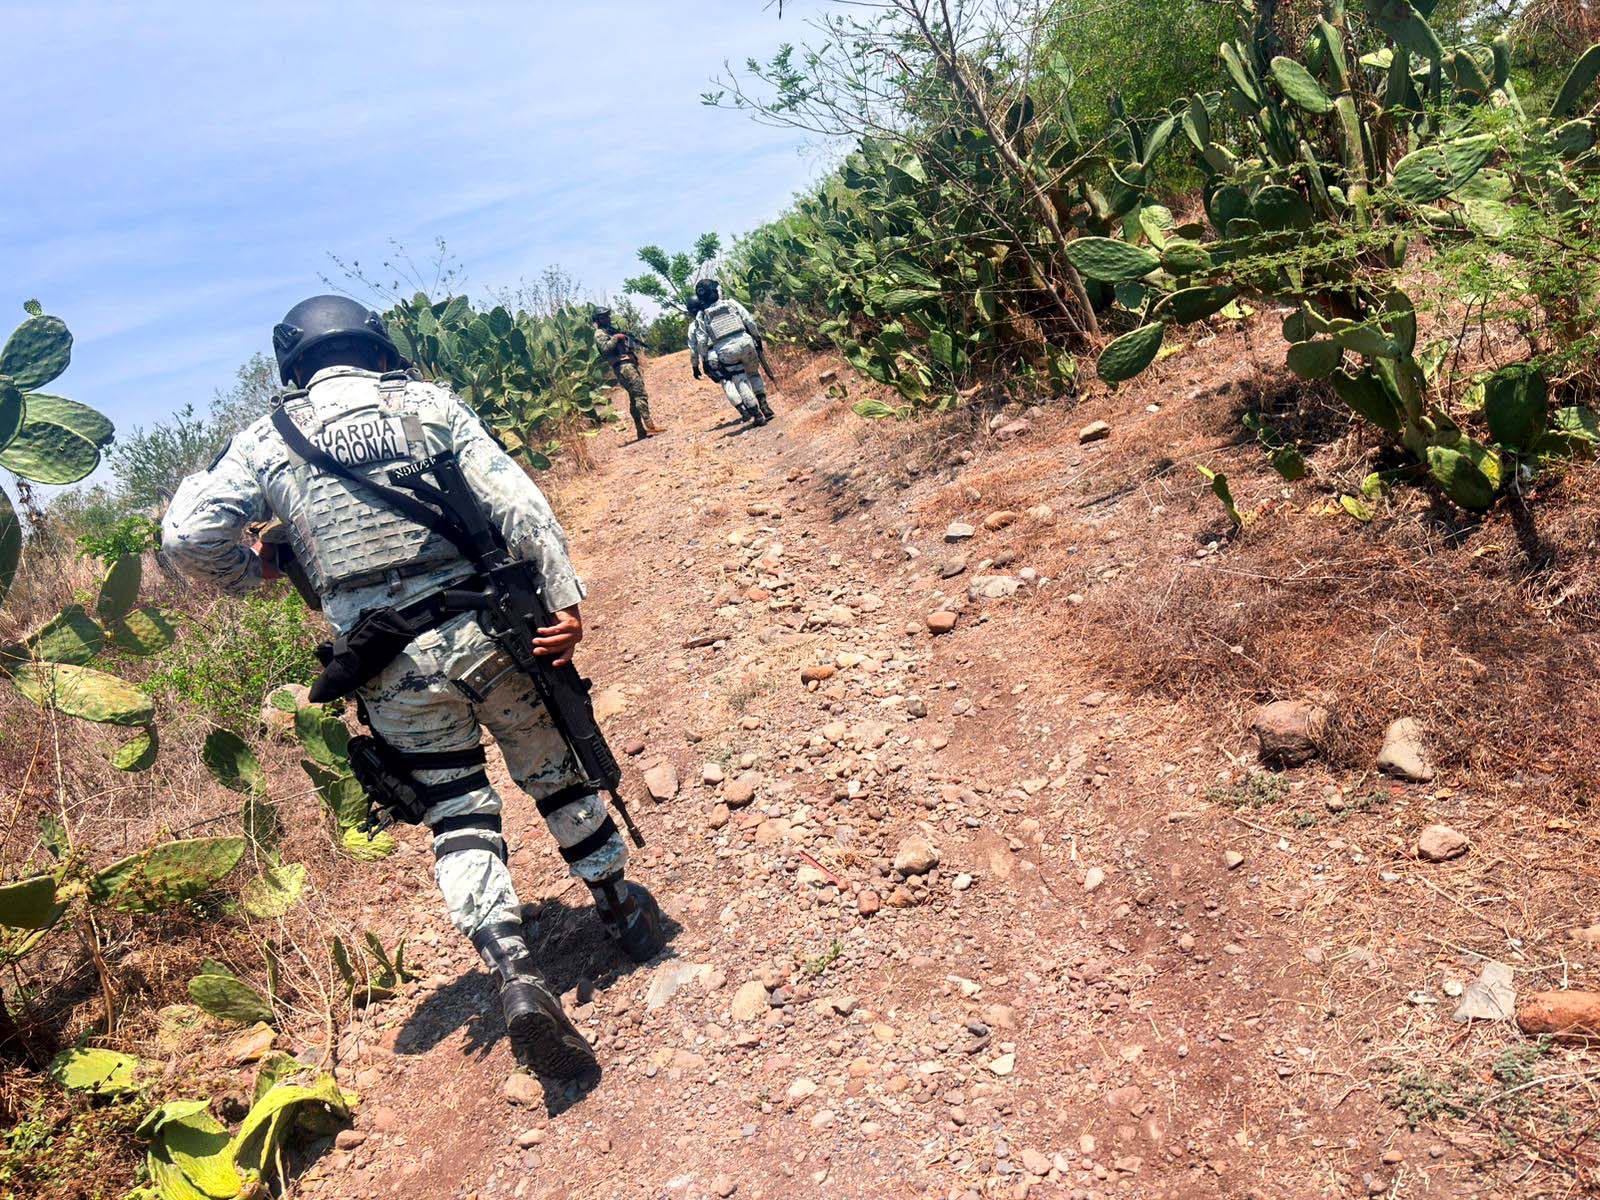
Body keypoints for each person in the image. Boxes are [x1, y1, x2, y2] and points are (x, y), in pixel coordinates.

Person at [161, 295, 664, 1082]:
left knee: (457, 809)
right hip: (491, 633)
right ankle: (619, 908)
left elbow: (186, 533)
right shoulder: (426, 404)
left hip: (387, 664)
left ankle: (515, 973)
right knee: (555, 769)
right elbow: (516, 501)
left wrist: (251, 570)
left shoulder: (267, 439)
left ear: (293, 360)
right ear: (374, 344)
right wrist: (564, 598)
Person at [688, 279, 774, 427]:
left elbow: (701, 341)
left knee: (739, 380)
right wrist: (757, 339)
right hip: (745, 342)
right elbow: (749, 322)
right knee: (754, 374)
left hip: (725, 350)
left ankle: (757, 415)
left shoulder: (702, 316)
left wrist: (704, 360)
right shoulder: (731, 303)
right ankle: (765, 406)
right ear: (715, 292)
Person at [590, 307, 661, 440]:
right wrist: (616, 338)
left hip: (628, 364)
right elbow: (605, 348)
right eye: (604, 317)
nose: (607, 318)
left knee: (634, 399)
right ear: (597, 320)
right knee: (640, 395)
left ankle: (641, 430)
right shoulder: (599, 333)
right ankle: (650, 426)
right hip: (623, 366)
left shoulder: (609, 331)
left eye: (607, 316)